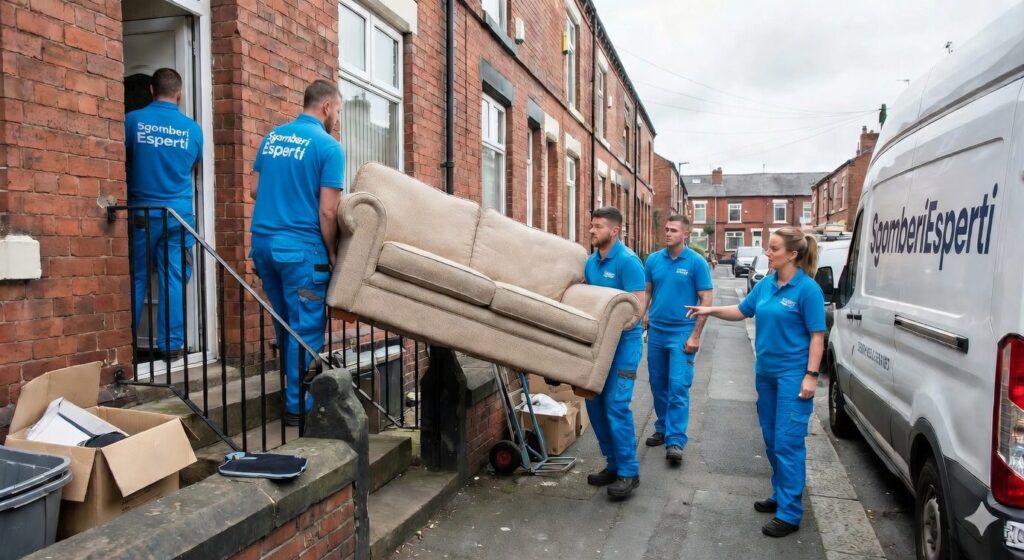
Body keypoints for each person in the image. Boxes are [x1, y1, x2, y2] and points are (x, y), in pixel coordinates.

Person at [685, 227, 825, 538]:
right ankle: (781, 493)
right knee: (772, 440)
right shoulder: (767, 286)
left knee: (788, 443)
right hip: (766, 374)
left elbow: (817, 336)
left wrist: (811, 376)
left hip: (793, 376)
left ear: (792, 254)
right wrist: (709, 309)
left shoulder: (807, 290)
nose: (767, 253)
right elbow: (741, 311)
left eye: (773, 248)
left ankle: (789, 512)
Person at [250, 80, 345, 426]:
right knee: (306, 331)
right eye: (338, 110)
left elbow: (254, 189)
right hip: (301, 253)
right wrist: (333, 253)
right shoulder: (328, 147)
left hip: (263, 246)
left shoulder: (272, 137)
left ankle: (293, 397)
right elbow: (328, 212)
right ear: (325, 107)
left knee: (286, 324)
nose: (337, 117)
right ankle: (298, 409)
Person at [125, 68, 203, 361]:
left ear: (150, 89)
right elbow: (194, 164)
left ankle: (125, 343)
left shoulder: (132, 121)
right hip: (178, 216)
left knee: (138, 277)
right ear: (179, 94)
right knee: (173, 278)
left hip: (142, 213)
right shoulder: (193, 129)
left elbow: (124, 158)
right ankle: (171, 347)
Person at [583, 207, 648, 499]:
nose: (592, 231)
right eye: (591, 226)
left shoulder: (628, 262)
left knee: (616, 405)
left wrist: (614, 329)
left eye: (598, 227)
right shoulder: (591, 263)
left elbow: (637, 307)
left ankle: (628, 472)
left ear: (615, 231)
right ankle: (613, 463)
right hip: (598, 343)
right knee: (594, 403)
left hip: (624, 344)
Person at [642, 215, 713, 465]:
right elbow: (647, 292)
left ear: (686, 235)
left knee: (678, 386)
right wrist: (644, 315)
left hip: (683, 331)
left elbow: (706, 298)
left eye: (673, 230)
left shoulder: (696, 263)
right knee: (658, 384)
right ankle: (662, 427)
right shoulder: (653, 260)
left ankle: (675, 440)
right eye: (666, 229)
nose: (668, 233)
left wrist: (695, 335)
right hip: (658, 332)